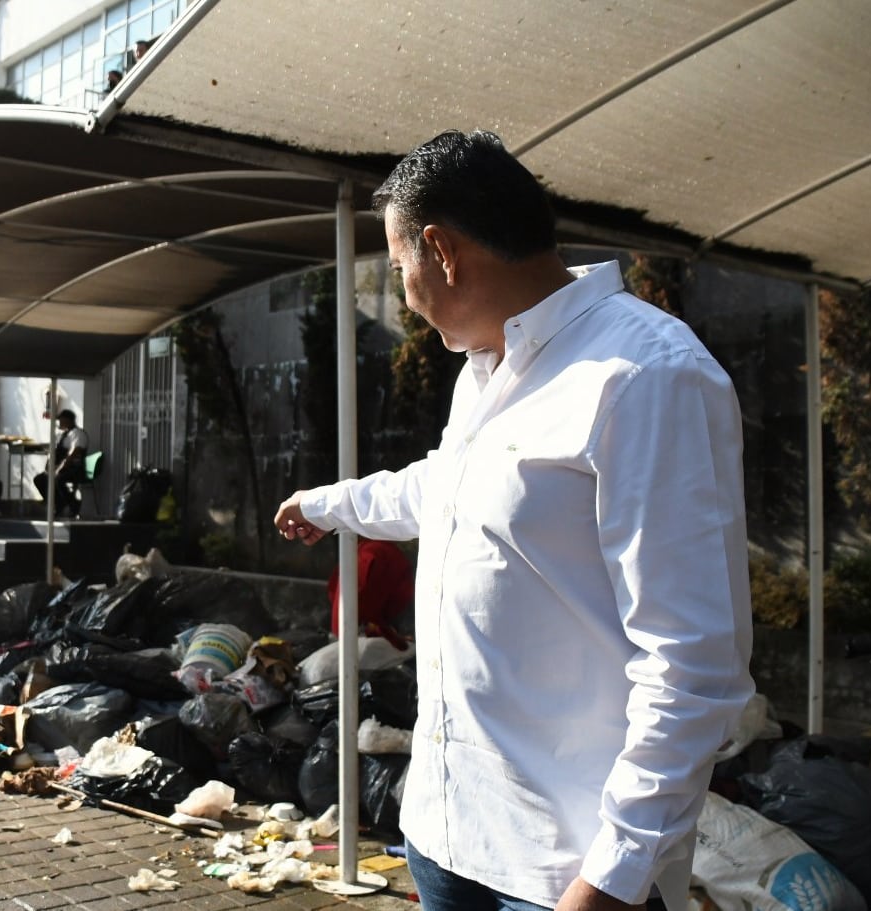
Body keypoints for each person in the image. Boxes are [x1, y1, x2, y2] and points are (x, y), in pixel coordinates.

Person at [272, 130, 753, 911]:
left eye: (400, 270)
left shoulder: (645, 375)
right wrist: (330, 506)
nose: (404, 295)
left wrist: (612, 877)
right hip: (446, 834)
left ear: (443, 250)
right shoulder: (487, 368)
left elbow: (694, 662)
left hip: (560, 867)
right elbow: (446, 491)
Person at [327, 538, 414, 649]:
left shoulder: (361, 548)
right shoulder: (382, 552)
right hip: (360, 626)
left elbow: (333, 587)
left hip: (347, 623)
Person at [33, 409, 88, 518]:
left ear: (67, 420)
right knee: (40, 479)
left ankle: (72, 504)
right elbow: (53, 452)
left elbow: (74, 453)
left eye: (61, 420)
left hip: (74, 468)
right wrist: (49, 466)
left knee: (58, 478)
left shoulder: (77, 433)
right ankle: (58, 503)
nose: (59, 422)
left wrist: (60, 468)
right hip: (58, 467)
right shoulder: (61, 435)